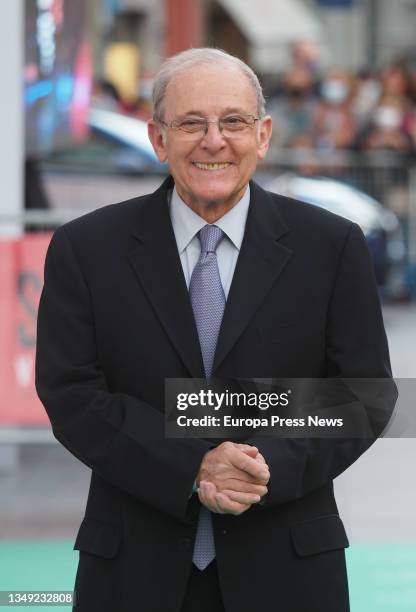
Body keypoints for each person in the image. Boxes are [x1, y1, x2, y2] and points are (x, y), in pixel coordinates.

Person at [36, 48, 394, 612]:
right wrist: (193, 466)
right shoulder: (86, 249)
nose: (214, 140)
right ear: (157, 139)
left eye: (233, 121)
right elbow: (70, 392)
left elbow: (364, 395)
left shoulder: (332, 246)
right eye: (190, 123)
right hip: (132, 572)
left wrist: (261, 467)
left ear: (264, 134)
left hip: (289, 570)